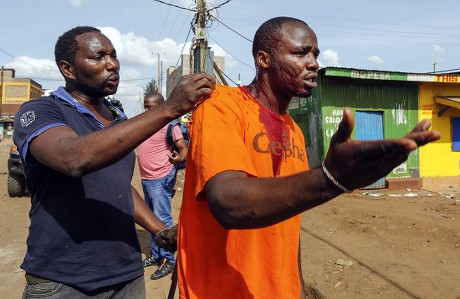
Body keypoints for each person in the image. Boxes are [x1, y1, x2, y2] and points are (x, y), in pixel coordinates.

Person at [175, 17, 440, 298]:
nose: (313, 63)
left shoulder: (294, 132)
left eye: (315, 54)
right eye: (300, 53)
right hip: (219, 290)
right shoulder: (220, 106)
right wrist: (330, 179)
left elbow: (288, 223)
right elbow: (229, 204)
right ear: (264, 59)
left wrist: (297, 287)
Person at [13, 26, 215, 298]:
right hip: (64, 281)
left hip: (126, 277)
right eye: (98, 57)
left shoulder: (119, 119)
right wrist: (169, 109)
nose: (113, 64)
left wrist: (160, 231)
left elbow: (117, 187)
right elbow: (73, 158)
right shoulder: (42, 111)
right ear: (68, 69)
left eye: (114, 55)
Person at [137, 92, 187, 280]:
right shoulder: (145, 124)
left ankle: (168, 259)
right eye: (145, 106)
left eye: (151, 106)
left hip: (160, 177)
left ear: (161, 105)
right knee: (150, 217)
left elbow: (183, 149)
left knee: (161, 217)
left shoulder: (169, 125)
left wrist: (178, 158)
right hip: (147, 178)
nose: (148, 110)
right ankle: (156, 255)